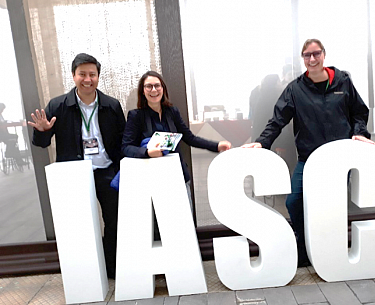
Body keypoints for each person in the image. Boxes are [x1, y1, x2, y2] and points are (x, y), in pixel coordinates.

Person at [242, 39, 375, 267]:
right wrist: (262, 142)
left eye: (316, 54)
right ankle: (303, 247)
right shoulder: (295, 89)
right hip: (308, 158)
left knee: (333, 205)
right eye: (307, 55)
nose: (312, 59)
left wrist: (359, 132)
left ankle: (330, 250)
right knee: (294, 201)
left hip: (339, 159)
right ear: (303, 59)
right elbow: (277, 120)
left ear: (324, 55)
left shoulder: (343, 82)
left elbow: (359, 112)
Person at [28, 53, 126, 278]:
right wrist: (42, 131)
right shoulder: (58, 105)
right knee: (79, 226)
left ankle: (111, 267)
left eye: (92, 74)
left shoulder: (111, 105)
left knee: (114, 220)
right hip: (75, 175)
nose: (87, 79)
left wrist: (122, 169)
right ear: (73, 76)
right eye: (82, 74)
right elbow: (41, 144)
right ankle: (87, 271)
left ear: (98, 77)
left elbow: (122, 141)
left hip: (107, 172)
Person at [121, 70, 231, 211]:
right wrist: (147, 152)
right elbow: (126, 147)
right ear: (143, 91)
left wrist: (216, 146)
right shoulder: (136, 116)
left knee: (185, 220)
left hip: (177, 175)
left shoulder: (172, 112)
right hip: (153, 178)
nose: (153, 90)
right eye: (148, 86)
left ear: (163, 89)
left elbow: (189, 138)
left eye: (157, 85)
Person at [0, 103, 26, 170]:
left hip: (5, 134)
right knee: (13, 139)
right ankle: (9, 152)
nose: (2, 111)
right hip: (2, 135)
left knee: (14, 141)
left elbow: (3, 122)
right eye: (2, 109)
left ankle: (18, 159)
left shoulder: (1, 115)